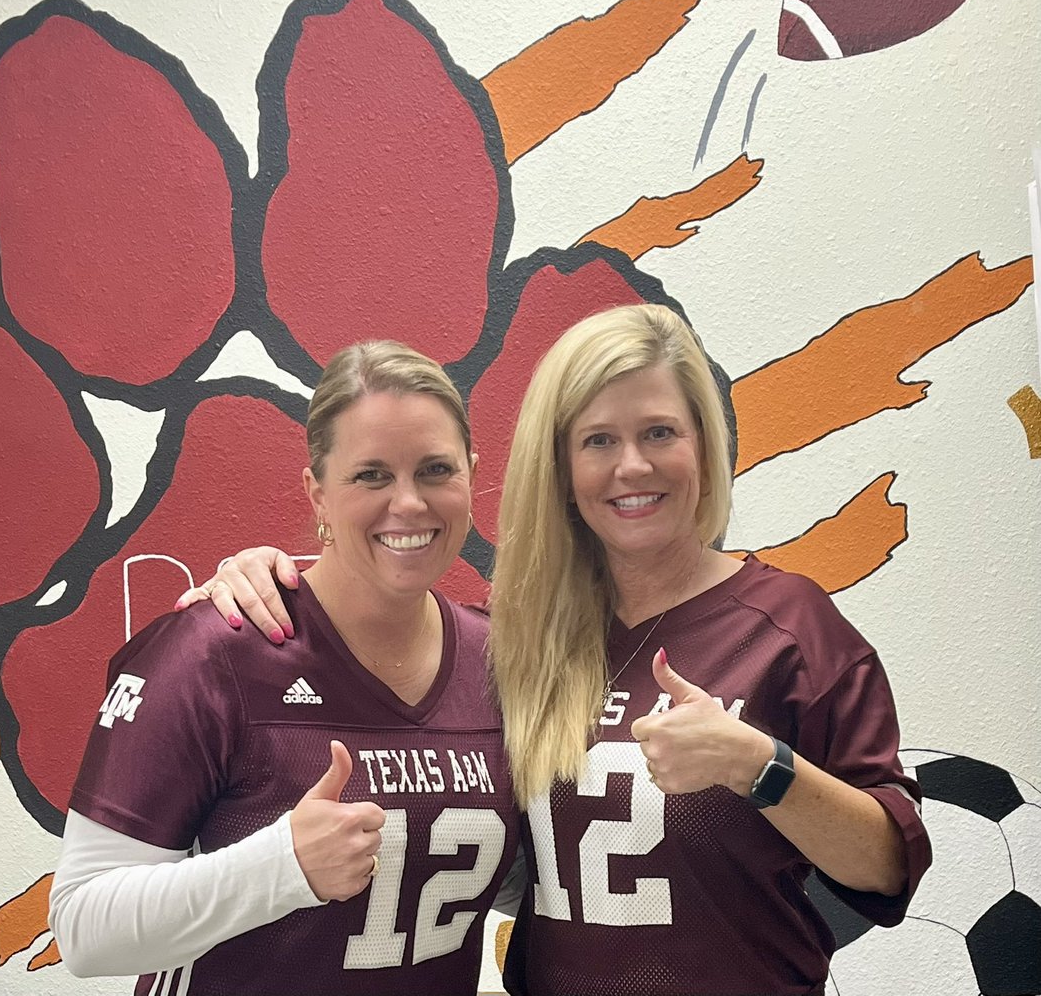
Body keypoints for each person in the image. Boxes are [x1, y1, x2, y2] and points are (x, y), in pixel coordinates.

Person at [185, 304, 931, 996]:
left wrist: (758, 766)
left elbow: (891, 868)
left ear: (705, 446)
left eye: (659, 433)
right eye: (599, 440)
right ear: (562, 470)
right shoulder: (516, 640)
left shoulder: (788, 626)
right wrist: (264, 580)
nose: (632, 466)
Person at [49, 341, 521, 996]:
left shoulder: (500, 663)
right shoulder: (214, 651)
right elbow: (82, 928)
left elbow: (532, 877)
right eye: (371, 475)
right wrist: (281, 866)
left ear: (471, 475)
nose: (409, 503)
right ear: (318, 494)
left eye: (436, 470)